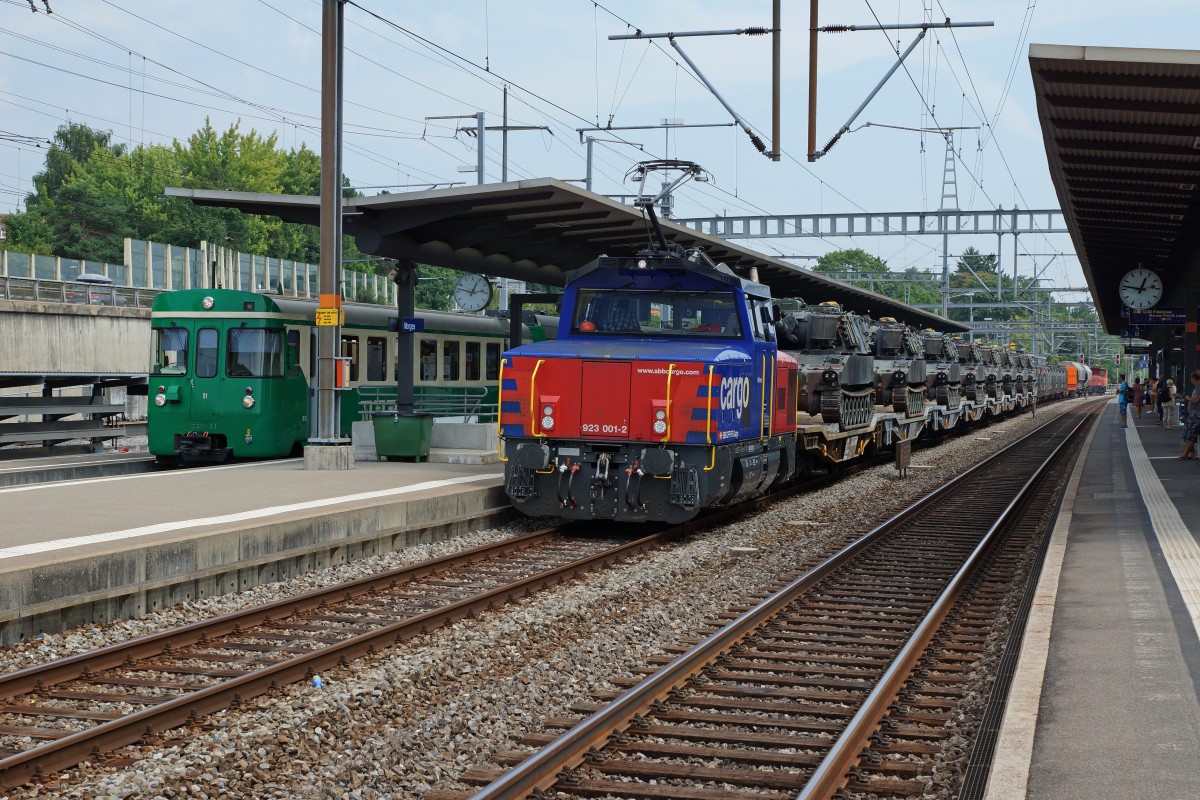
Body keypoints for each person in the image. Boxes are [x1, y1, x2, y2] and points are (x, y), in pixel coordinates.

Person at [1180, 371, 1200, 460]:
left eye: (1191, 378)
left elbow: (1195, 400)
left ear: (1194, 378)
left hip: (1196, 415)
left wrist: (1187, 398)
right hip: (1193, 414)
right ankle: (1193, 454)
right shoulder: (1196, 388)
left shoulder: (1199, 388)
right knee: (1186, 434)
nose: (1190, 380)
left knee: (1191, 434)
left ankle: (1185, 453)